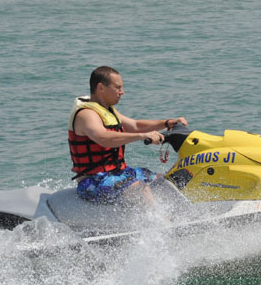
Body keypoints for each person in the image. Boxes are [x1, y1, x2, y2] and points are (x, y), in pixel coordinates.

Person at [69, 66, 186, 204]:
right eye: (117, 87)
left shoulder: (107, 111)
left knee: (163, 181)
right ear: (101, 87)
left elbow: (135, 125)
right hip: (94, 180)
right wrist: (142, 136)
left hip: (118, 173)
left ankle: (184, 215)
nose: (122, 92)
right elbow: (103, 138)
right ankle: (163, 224)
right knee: (140, 190)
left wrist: (167, 123)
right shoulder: (86, 115)